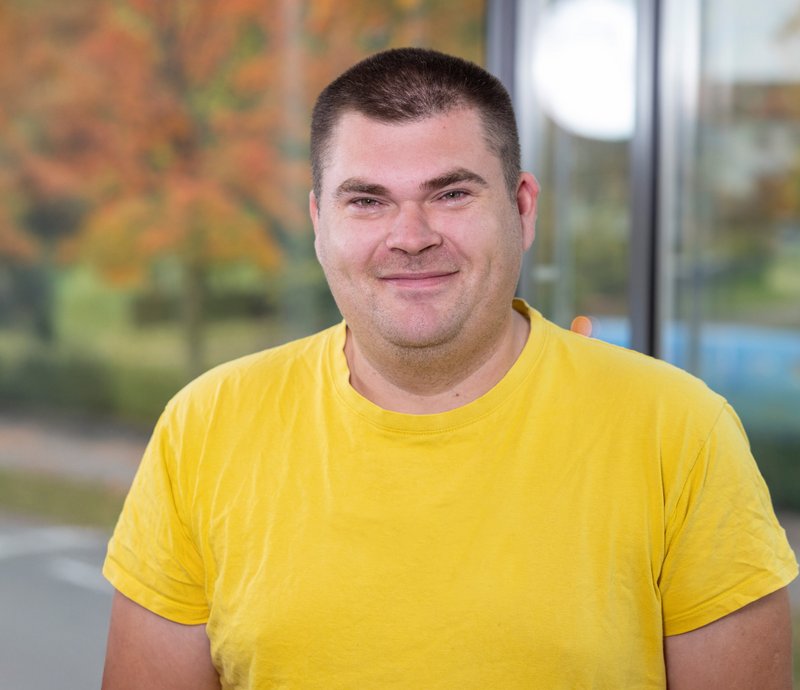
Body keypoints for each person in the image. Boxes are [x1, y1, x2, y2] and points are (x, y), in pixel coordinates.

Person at [101, 47, 797, 689]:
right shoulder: (206, 426)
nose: (410, 237)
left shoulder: (680, 432)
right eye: (367, 200)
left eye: (452, 193)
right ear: (319, 223)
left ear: (522, 209)